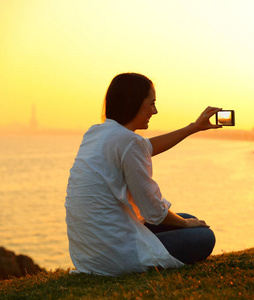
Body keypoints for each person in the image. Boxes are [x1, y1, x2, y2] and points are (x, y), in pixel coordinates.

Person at [65, 73, 221, 276]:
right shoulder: (129, 141)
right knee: (203, 236)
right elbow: (153, 211)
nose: (155, 111)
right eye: (152, 103)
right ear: (134, 103)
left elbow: (146, 147)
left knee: (190, 220)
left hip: (89, 254)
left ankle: (182, 227)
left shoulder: (97, 133)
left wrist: (193, 127)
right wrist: (184, 224)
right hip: (116, 256)